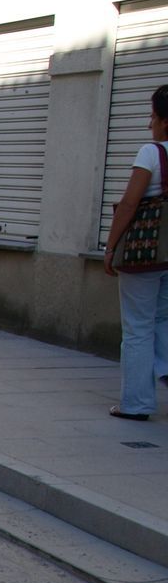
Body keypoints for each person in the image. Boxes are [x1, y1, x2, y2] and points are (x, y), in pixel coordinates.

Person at [103, 82, 168, 421]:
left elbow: (130, 203)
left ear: (164, 122)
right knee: (163, 320)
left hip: (146, 254)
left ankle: (136, 403)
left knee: (138, 327)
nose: (149, 124)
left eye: (153, 116)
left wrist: (111, 247)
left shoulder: (152, 153)